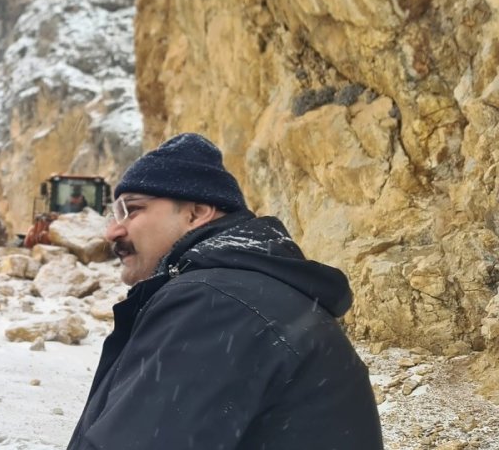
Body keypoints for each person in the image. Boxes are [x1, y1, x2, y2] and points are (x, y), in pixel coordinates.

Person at [67, 133, 383, 450]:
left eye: (132, 210)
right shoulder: (244, 291)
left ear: (196, 213)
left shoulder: (213, 302)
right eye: (113, 214)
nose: (112, 230)